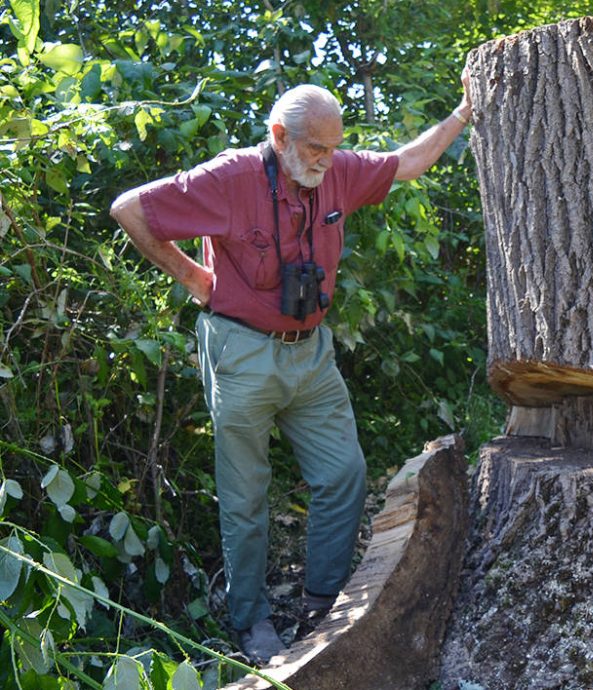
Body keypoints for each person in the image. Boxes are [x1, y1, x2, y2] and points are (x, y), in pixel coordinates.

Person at [110, 76, 474, 664]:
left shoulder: (337, 171)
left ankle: (323, 600)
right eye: (315, 149)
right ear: (279, 136)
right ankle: (250, 620)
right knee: (246, 495)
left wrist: (462, 111)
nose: (327, 162)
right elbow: (129, 208)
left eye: (335, 148)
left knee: (343, 473)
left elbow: (408, 162)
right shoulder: (228, 179)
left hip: (311, 353)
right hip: (242, 352)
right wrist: (193, 279)